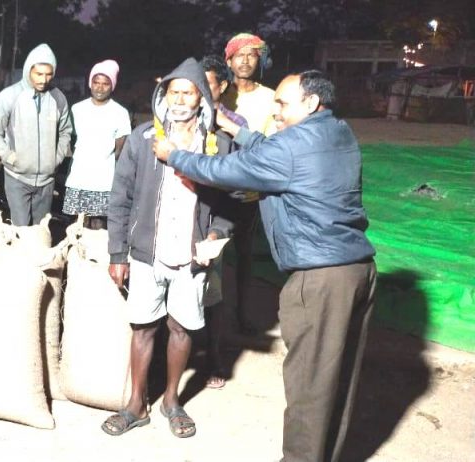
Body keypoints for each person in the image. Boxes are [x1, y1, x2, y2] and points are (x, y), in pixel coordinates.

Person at [154, 70, 377, 462]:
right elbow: (275, 150)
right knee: (336, 382)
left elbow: (223, 172)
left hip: (321, 279)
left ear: (311, 103)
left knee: (309, 386)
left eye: (283, 104)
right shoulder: (338, 132)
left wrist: (175, 156)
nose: (276, 111)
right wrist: (235, 130)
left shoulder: (291, 147)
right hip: (358, 271)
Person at [102, 58, 234, 439]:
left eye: (187, 92)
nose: (179, 99)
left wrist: (216, 234)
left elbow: (229, 202)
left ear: (201, 98)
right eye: (173, 92)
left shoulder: (218, 146)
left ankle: (172, 400)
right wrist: (117, 254)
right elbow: (120, 198)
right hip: (148, 252)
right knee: (143, 327)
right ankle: (136, 404)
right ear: (163, 96)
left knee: (181, 327)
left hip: (192, 256)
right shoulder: (143, 139)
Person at [198, 54, 250, 390]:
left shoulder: (234, 123)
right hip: (182, 215)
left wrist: (221, 226)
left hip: (214, 219)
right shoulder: (181, 116)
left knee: (212, 293)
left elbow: (239, 179)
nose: (200, 90)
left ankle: (214, 357)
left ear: (223, 86)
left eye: (208, 84)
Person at [222, 33, 277, 336]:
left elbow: (271, 144)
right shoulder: (218, 91)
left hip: (249, 187)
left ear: (259, 60)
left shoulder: (270, 98)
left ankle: (241, 314)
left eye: (251, 55)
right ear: (228, 61)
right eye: (238, 55)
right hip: (216, 182)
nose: (245, 61)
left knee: (244, 253)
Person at [0, 43, 73, 226]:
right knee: (21, 232)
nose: (44, 80)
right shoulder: (9, 96)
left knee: (40, 233)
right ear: (28, 69)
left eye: (48, 74)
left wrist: (56, 158)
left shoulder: (58, 98)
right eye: (38, 74)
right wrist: (11, 157)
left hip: (47, 181)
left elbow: (66, 131)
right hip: (17, 178)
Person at [61, 59, 131, 229]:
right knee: (77, 227)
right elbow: (73, 141)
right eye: (96, 82)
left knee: (98, 227)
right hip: (79, 178)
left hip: (103, 181)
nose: (100, 88)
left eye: (105, 84)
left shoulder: (120, 112)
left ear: (112, 86)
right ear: (90, 83)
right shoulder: (77, 109)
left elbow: (119, 150)